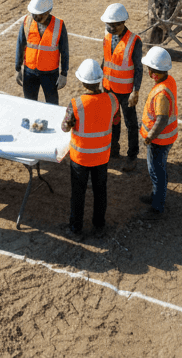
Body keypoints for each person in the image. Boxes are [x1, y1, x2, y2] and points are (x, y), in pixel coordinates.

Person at [61, 59, 114, 237]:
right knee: (100, 192)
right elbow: (115, 119)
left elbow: (65, 127)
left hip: (80, 158)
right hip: (102, 156)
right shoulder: (111, 100)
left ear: (83, 82)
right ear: (99, 80)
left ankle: (76, 227)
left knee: (78, 194)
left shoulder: (76, 104)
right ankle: (99, 224)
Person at [99, 3, 142, 172]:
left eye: (115, 25)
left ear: (123, 22)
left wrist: (135, 91)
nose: (111, 28)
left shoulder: (134, 41)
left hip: (126, 92)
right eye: (109, 25)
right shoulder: (107, 37)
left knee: (130, 124)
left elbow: (138, 68)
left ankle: (132, 156)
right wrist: (102, 83)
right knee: (112, 121)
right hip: (109, 89)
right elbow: (105, 61)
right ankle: (114, 149)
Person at [139, 46, 178, 218]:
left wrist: (149, 137)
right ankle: (156, 197)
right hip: (166, 137)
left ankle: (157, 207)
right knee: (158, 169)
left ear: (155, 72)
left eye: (149, 69)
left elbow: (162, 119)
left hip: (159, 140)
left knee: (157, 172)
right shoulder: (168, 81)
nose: (147, 71)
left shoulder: (161, 93)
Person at [15, 0, 68, 104]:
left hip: (50, 74)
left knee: (52, 104)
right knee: (29, 104)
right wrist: (18, 68)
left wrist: (64, 73)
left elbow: (64, 51)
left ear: (48, 11)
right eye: (34, 14)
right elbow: (20, 44)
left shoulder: (59, 25)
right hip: (29, 72)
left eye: (39, 15)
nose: (36, 18)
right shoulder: (27, 21)